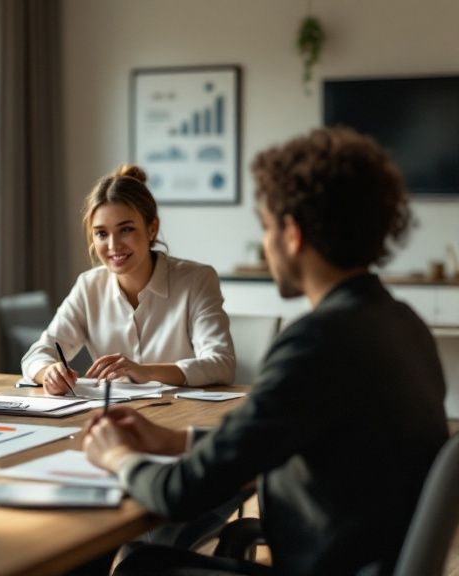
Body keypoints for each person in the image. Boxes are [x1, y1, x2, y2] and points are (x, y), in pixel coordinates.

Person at [84, 127, 448, 575]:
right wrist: (170, 439)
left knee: (141, 566)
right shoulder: (402, 324)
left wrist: (116, 456)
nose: (266, 243)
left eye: (266, 226)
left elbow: (181, 494)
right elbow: (271, 436)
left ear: (291, 233)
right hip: (366, 560)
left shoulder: (317, 343)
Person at [22, 163, 234, 395]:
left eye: (126, 230)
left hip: (179, 416)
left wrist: (145, 372)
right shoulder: (89, 286)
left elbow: (221, 364)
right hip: (112, 415)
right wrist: (49, 372)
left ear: (152, 229)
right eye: (101, 233)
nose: (113, 246)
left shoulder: (197, 280)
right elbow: (37, 354)